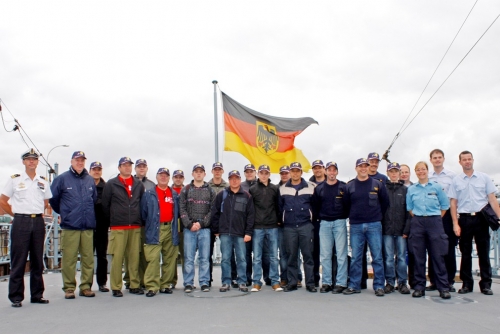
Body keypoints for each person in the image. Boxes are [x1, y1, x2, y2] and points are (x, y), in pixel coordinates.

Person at [0, 149, 52, 307]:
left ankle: (37, 295)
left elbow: (45, 202)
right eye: (28, 159)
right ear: (23, 162)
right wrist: (15, 215)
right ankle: (16, 297)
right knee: (19, 260)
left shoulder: (43, 181)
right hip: (20, 221)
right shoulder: (15, 180)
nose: (31, 161)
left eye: (34, 159)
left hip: (37, 222)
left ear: (37, 162)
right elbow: (3, 200)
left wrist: (35, 212)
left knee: (37, 259)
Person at [448, 151, 500, 295]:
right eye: (464, 160)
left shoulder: (484, 178)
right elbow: (453, 203)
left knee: (483, 252)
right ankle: (466, 284)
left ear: (473, 160)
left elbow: (492, 199)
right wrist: (455, 223)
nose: (467, 162)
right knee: (465, 253)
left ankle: (486, 284)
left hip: (481, 218)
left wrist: (499, 217)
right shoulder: (456, 180)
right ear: (460, 162)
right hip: (464, 218)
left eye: (469, 159)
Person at [50, 151, 97, 299]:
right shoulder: (62, 179)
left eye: (82, 160)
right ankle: (69, 288)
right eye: (77, 160)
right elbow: (53, 200)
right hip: (70, 226)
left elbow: (93, 199)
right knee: (69, 259)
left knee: (88, 258)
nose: (80, 163)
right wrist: (66, 213)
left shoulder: (90, 180)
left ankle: (86, 287)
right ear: (71, 161)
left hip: (87, 225)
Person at [343, 158, 389, 297]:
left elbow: (385, 203)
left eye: (365, 166)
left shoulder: (377, 184)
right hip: (356, 225)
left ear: (368, 168)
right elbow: (346, 205)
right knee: (356, 257)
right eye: (360, 166)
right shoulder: (349, 186)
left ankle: (379, 286)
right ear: (356, 168)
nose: (363, 168)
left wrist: (377, 216)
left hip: (374, 224)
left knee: (377, 257)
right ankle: (354, 285)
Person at [406, 161, 451, 299]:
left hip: (434, 221)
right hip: (418, 222)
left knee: (438, 256)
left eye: (423, 169)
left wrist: (433, 217)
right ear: (416, 172)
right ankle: (419, 287)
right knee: (419, 257)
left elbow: (445, 205)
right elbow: (410, 208)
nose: (421, 172)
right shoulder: (412, 189)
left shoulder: (436, 187)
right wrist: (421, 218)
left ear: (427, 170)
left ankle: (443, 287)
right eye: (418, 170)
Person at [102, 157, 145, 297]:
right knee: (117, 258)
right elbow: (105, 205)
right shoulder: (111, 184)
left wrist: (139, 220)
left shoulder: (138, 184)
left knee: (133, 258)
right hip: (118, 226)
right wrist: (112, 221)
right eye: (124, 165)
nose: (127, 168)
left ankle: (134, 284)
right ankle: (116, 286)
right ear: (119, 167)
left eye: (129, 165)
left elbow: (142, 204)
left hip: (134, 226)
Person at [212, 170, 255, 292]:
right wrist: (216, 230)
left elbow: (250, 215)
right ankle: (226, 282)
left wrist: (248, 232)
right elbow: (215, 213)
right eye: (232, 178)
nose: (234, 180)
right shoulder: (222, 195)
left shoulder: (246, 196)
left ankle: (242, 282)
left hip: (241, 234)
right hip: (225, 233)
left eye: (236, 178)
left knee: (241, 258)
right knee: (225, 258)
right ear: (229, 180)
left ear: (240, 180)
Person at [140, 167, 179, 297]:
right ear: (156, 177)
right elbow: (143, 213)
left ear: (169, 178)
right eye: (161, 175)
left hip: (170, 228)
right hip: (154, 229)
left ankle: (165, 284)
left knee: (169, 258)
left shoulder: (174, 194)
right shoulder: (149, 193)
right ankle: (152, 286)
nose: (163, 177)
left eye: (166, 175)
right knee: (153, 258)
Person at [279, 162, 317, 292]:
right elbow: (280, 208)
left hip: (305, 225)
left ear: (301, 172)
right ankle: (292, 282)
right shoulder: (283, 188)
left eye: (297, 171)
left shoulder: (311, 187)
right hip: (289, 227)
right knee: (291, 256)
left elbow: (315, 206)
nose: (295, 173)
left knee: (308, 256)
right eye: (293, 171)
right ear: (290, 172)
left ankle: (310, 283)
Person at [311, 161, 348, 294]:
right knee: (325, 255)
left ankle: (341, 282)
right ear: (326, 171)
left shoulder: (344, 187)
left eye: (334, 170)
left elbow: (348, 204)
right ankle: (326, 282)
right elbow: (315, 206)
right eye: (329, 170)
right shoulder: (319, 188)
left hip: (340, 222)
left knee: (341, 255)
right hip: (324, 223)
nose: (332, 173)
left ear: (337, 172)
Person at [179, 164, 216, 292]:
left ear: (205, 174)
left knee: (204, 258)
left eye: (201, 172)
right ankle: (188, 283)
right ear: (193, 174)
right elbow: (182, 209)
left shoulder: (210, 190)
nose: (199, 174)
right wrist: (189, 224)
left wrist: (201, 224)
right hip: (189, 229)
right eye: (196, 171)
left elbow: (213, 210)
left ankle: (204, 282)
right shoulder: (186, 189)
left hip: (205, 229)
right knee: (189, 258)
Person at [427, 149, 457, 292]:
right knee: (432, 248)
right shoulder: (428, 177)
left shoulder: (452, 176)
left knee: (448, 248)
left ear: (443, 159)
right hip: (432, 216)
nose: (437, 160)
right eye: (435, 158)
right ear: (431, 160)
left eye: (439, 157)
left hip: (447, 216)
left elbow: (454, 198)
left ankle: (449, 281)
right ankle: (434, 280)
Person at [249, 165, 282, 292]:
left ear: (269, 174)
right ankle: (256, 282)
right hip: (257, 227)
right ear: (258, 174)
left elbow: (278, 206)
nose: (263, 175)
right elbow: (250, 209)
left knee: (273, 256)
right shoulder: (253, 189)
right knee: (257, 256)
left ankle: (275, 281)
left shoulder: (274, 188)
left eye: (266, 173)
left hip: (272, 226)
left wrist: (278, 220)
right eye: (261, 173)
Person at [123, 158, 155, 290]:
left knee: (144, 254)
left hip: (146, 225)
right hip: (132, 223)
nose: (141, 168)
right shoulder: (130, 182)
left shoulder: (151, 184)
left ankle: (143, 280)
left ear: (147, 169)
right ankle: (129, 280)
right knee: (131, 254)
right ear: (135, 168)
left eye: (144, 166)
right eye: (139, 166)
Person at [381, 162, 410, 294]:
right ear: (388, 173)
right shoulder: (383, 189)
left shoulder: (405, 190)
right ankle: (390, 282)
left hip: (401, 230)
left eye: (396, 171)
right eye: (391, 171)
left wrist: (406, 229)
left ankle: (403, 282)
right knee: (388, 258)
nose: (393, 174)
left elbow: (409, 211)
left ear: (399, 173)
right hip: (386, 229)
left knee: (402, 258)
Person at [89, 161, 110, 293]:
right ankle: (87, 284)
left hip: (102, 226)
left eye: (99, 169)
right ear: (90, 171)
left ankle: (102, 283)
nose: (96, 171)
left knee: (102, 256)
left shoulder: (107, 187)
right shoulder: (85, 185)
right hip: (88, 225)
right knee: (88, 256)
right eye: (94, 169)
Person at [207, 162, 229, 287]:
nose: (217, 172)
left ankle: (231, 278)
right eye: (215, 169)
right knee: (208, 253)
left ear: (222, 171)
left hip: (224, 223)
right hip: (210, 223)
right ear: (212, 171)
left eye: (219, 169)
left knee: (227, 254)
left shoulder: (227, 186)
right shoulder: (206, 186)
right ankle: (208, 279)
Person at [309, 159, 326, 287]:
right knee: (314, 252)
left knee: (329, 252)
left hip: (328, 221)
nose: (317, 170)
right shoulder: (308, 185)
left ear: (324, 169)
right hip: (314, 223)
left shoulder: (332, 182)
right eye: (315, 168)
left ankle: (330, 279)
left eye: (320, 167)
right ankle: (314, 279)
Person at [240, 163, 257, 285]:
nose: (249, 173)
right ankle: (247, 278)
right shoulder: (241, 187)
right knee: (245, 254)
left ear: (255, 172)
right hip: (245, 225)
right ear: (245, 173)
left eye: (251, 171)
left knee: (261, 254)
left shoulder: (260, 184)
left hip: (260, 224)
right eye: (247, 171)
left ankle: (266, 277)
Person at [171, 169, 185, 288]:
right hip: (173, 227)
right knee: (171, 256)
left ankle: (187, 281)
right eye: (176, 177)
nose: (178, 179)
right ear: (173, 178)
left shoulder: (187, 190)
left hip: (185, 228)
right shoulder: (169, 191)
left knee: (186, 256)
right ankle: (171, 281)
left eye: (180, 177)